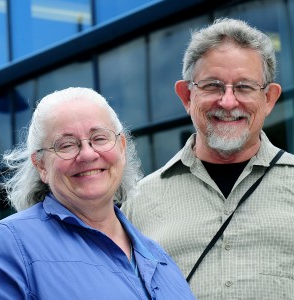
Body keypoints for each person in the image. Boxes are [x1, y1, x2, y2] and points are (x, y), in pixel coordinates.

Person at [121, 17, 294, 299]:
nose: (227, 102)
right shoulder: (136, 204)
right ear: (187, 96)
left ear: (270, 99)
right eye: (213, 86)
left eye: (244, 87)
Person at [0, 87, 195, 300]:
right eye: (67, 145)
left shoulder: (160, 258)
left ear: (122, 148)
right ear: (41, 165)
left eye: (99, 138)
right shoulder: (9, 245)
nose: (88, 154)